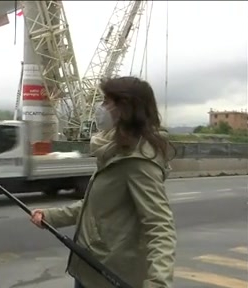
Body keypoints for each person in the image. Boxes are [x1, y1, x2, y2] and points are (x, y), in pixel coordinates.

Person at [30, 76, 177, 288]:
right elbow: (96, 207)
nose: (101, 107)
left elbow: (160, 226)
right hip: (89, 268)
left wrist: (158, 283)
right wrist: (51, 216)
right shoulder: (114, 150)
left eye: (107, 102)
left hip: (110, 276)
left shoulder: (137, 161)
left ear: (126, 108)